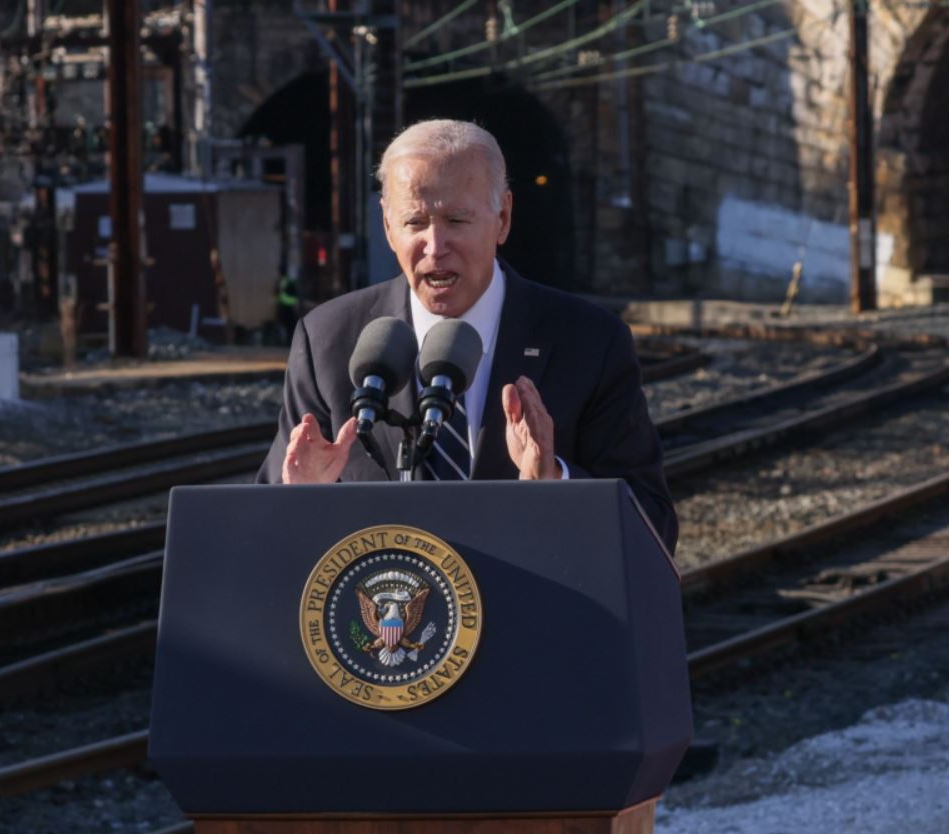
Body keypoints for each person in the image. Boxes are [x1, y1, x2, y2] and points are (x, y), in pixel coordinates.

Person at [255, 119, 677, 552]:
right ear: (386, 225)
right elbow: (267, 532)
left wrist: (555, 481)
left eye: (457, 220)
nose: (435, 246)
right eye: (415, 222)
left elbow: (653, 527)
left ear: (503, 218)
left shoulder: (590, 342)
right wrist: (300, 498)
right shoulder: (328, 339)